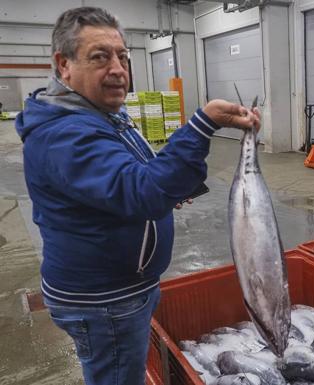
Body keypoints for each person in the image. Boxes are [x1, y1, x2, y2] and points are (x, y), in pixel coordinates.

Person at [15, 7, 259, 385]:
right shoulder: (65, 134)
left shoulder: (99, 113)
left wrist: (172, 186)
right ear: (63, 65)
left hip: (120, 288)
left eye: (122, 57)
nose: (118, 69)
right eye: (100, 57)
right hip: (105, 300)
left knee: (121, 371)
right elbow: (140, 192)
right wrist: (201, 124)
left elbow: (132, 180)